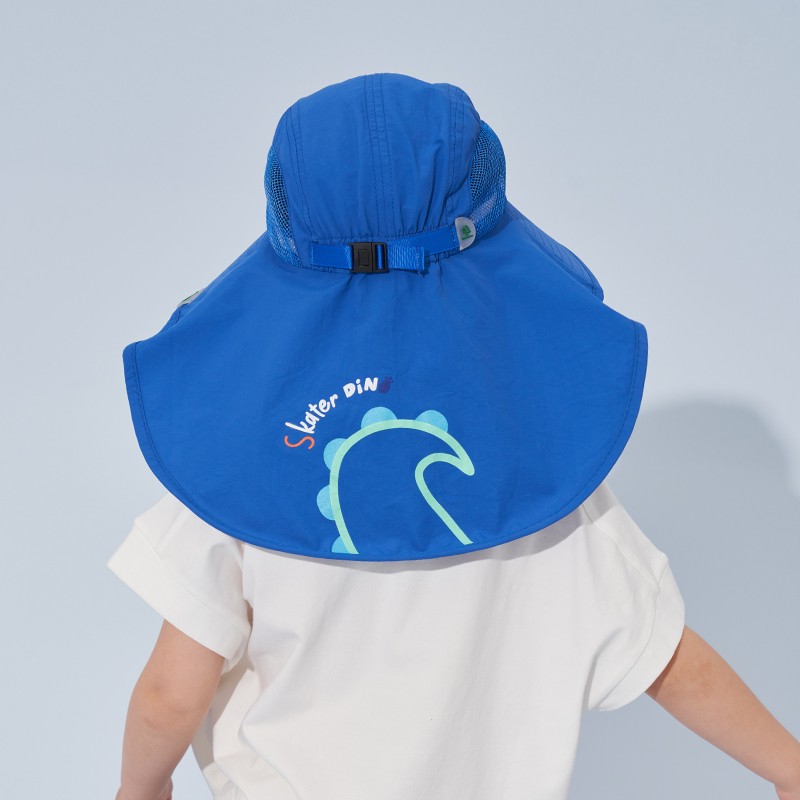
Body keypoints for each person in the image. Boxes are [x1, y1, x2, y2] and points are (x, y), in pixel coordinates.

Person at [107, 73, 800, 800]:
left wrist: (140, 790)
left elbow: (170, 696)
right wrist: (789, 769)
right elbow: (667, 658)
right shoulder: (548, 473)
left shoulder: (232, 467)